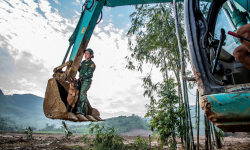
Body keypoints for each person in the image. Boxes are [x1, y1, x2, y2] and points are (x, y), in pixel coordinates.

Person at [76, 48, 96, 121]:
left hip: (86, 81)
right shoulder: (83, 62)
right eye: (85, 53)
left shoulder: (92, 64)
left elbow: (89, 73)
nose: (86, 55)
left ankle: (82, 111)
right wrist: (75, 65)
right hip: (81, 80)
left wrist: (82, 77)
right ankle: (77, 109)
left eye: (87, 53)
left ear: (91, 55)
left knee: (82, 93)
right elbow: (80, 70)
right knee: (77, 93)